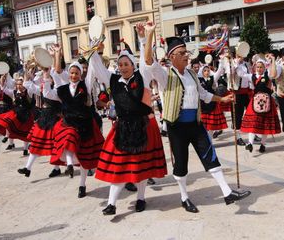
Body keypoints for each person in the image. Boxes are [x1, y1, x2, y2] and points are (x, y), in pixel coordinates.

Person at [142, 22, 250, 213]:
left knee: (210, 155)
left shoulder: (192, 74)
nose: (186, 56)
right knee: (181, 164)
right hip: (176, 127)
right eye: (182, 53)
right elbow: (149, 60)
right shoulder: (165, 75)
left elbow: (204, 94)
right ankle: (184, 197)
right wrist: (149, 35)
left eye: (186, 52)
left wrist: (222, 98)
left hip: (195, 123)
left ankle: (227, 193)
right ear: (171, 57)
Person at [93, 23, 167, 215]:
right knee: (119, 167)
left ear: (133, 66)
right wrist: (93, 49)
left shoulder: (141, 76)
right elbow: (98, 68)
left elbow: (146, 60)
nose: (123, 67)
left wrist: (143, 39)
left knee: (141, 166)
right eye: (121, 64)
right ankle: (111, 204)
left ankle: (141, 198)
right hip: (122, 128)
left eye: (127, 64)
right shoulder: (112, 80)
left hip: (143, 126)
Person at [45, 44, 105, 198]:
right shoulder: (63, 88)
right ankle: (70, 164)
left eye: (77, 73)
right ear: (69, 73)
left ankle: (82, 185)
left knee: (85, 158)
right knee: (68, 137)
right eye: (71, 73)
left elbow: (91, 70)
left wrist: (94, 53)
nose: (73, 75)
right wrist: (55, 58)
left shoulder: (86, 84)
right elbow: (55, 75)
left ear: (80, 74)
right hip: (70, 124)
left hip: (85, 125)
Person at [241, 58, 281, 153]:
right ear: (255, 67)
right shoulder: (252, 76)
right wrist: (235, 63)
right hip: (255, 102)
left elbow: (274, 74)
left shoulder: (268, 76)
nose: (259, 69)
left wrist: (273, 61)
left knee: (265, 124)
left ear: (264, 67)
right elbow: (240, 74)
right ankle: (250, 143)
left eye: (261, 67)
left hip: (267, 102)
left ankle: (263, 144)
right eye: (257, 67)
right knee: (253, 122)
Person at [0, 77, 35, 155]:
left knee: (26, 132)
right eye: (17, 84)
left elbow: (30, 86)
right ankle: (7, 136)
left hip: (26, 114)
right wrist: (2, 81)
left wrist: (28, 76)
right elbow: (4, 89)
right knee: (8, 120)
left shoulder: (29, 92)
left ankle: (25, 149)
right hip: (16, 112)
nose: (18, 86)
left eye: (20, 84)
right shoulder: (14, 92)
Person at [198, 65, 227, 138]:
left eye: (208, 71)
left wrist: (222, 62)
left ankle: (210, 141)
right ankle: (205, 140)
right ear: (202, 72)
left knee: (211, 125)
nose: (207, 72)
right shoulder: (198, 79)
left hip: (212, 102)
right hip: (202, 103)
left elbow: (219, 71)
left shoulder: (212, 78)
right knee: (203, 124)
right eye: (205, 71)